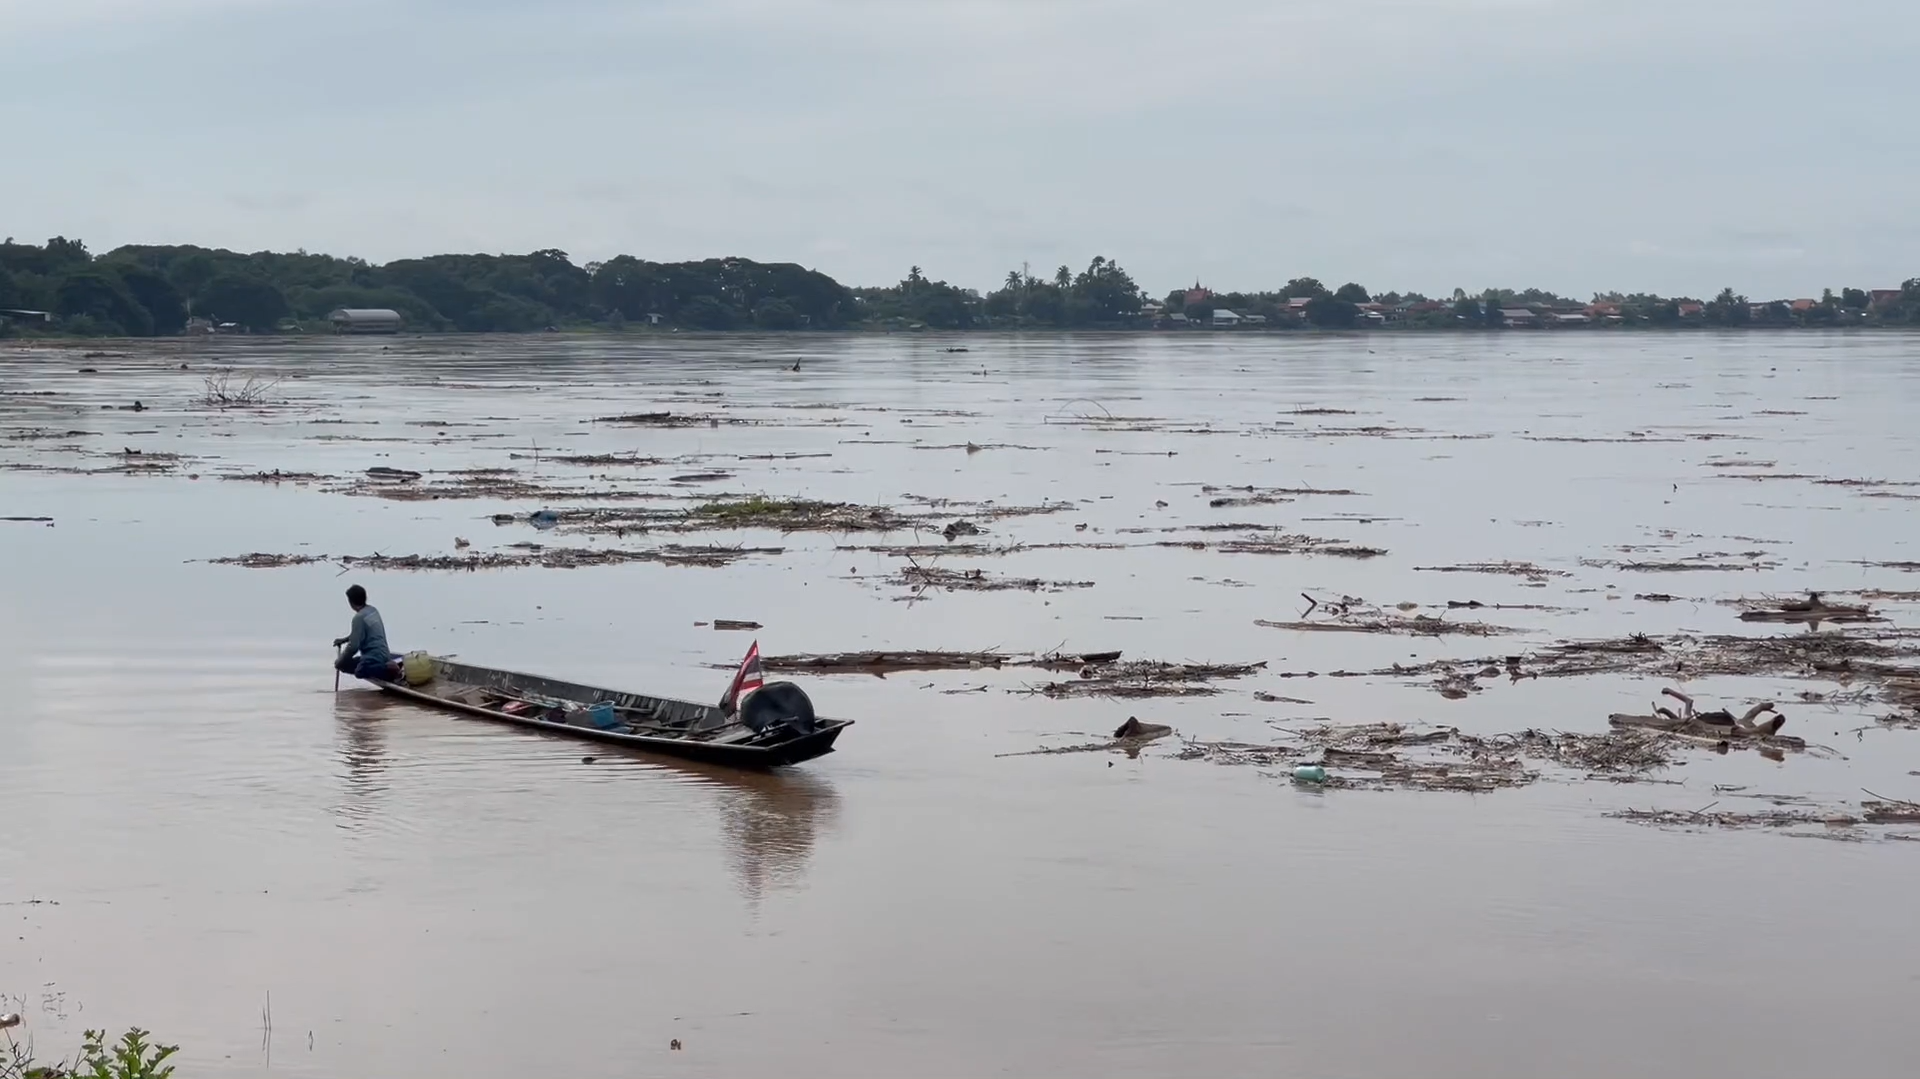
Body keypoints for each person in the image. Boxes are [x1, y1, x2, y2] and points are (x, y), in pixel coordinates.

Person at [334, 584, 399, 681]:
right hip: (384, 654)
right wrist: (344, 640)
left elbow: (353, 647)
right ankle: (383, 666)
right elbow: (362, 633)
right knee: (358, 664)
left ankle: (388, 669)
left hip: (373, 657)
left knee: (359, 671)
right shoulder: (372, 610)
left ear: (351, 602)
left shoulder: (359, 618)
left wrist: (340, 662)